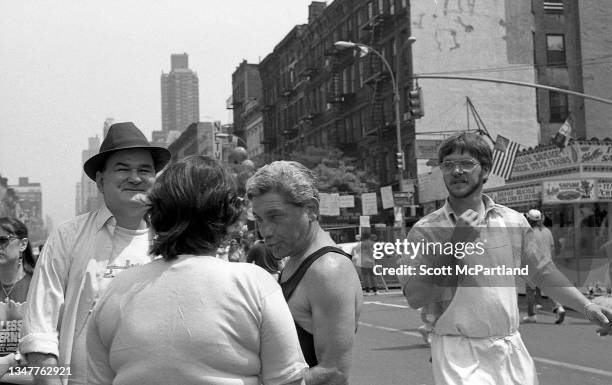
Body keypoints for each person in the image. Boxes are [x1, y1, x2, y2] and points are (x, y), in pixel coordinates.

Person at [87, 155, 323, 385]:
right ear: (226, 216)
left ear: (157, 216)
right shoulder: (254, 285)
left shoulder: (115, 291)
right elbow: (286, 380)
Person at [397, 132, 612, 385]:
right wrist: (456, 246)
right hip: (458, 352)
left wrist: (587, 307)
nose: (456, 171)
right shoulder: (426, 230)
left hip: (510, 347)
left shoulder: (512, 220)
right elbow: (416, 297)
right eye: (448, 165)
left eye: (466, 163)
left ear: (486, 171)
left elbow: (543, 272)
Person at [20, 122, 171, 385]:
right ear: (100, 181)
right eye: (122, 169)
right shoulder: (68, 238)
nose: (135, 178)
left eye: (144, 170)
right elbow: (39, 331)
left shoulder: (173, 239)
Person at [246, 161, 362, 381]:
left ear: (311, 209)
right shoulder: (297, 258)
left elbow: (333, 372)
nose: (265, 231)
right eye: (259, 220)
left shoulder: (328, 270)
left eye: (275, 216)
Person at [0, 217, 37, 383]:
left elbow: (52, 341)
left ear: (22, 244)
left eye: (3, 240)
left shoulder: (40, 286)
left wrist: (11, 360)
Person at [522, 209, 566, 324]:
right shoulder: (547, 231)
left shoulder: (528, 232)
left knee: (530, 290)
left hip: (533, 266)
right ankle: (559, 307)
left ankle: (531, 316)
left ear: (529, 219)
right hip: (548, 264)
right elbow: (552, 249)